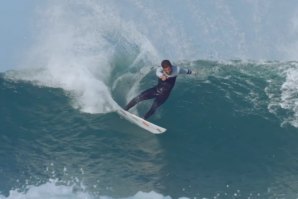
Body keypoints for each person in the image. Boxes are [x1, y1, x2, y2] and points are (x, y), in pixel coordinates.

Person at [124, 59, 195, 120]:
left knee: (154, 107)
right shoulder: (159, 70)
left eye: (169, 68)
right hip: (156, 90)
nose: (169, 71)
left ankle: (144, 119)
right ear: (163, 69)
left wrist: (194, 73)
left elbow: (187, 71)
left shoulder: (177, 69)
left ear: (171, 66)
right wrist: (162, 76)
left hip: (164, 95)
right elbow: (158, 73)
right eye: (166, 70)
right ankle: (125, 109)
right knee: (139, 97)